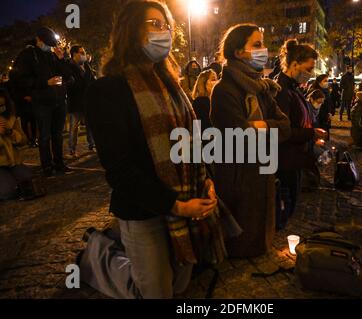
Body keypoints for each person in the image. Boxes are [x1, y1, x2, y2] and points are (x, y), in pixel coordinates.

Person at [82, 0, 226, 299]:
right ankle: (97, 257)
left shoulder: (173, 87)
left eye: (167, 26)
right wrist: (175, 205)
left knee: (179, 283)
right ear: (130, 31)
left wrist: (207, 179)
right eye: (155, 24)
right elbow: (120, 170)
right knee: (155, 293)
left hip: (186, 195)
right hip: (143, 207)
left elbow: (195, 141)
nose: (165, 33)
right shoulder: (107, 90)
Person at [211, 24, 291, 257]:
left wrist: (262, 125)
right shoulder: (224, 90)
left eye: (263, 44)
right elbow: (240, 136)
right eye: (256, 45)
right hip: (238, 175)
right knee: (241, 239)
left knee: (261, 228)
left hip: (263, 169)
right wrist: (261, 130)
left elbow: (285, 127)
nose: (264, 50)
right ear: (238, 52)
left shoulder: (262, 88)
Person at [274, 39, 325, 227]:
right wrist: (311, 133)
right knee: (285, 205)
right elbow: (283, 131)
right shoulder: (282, 90)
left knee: (291, 202)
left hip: (294, 157)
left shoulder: (293, 88)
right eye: (309, 68)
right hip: (285, 160)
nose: (310, 74)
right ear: (295, 64)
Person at [11, 27, 71, 177]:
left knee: (57, 134)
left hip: (59, 100)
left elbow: (68, 76)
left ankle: (59, 163)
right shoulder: (28, 55)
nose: (49, 46)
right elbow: (21, 79)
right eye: (47, 43)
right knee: (44, 136)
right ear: (38, 40)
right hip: (42, 102)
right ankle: (47, 166)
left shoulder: (52, 54)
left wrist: (61, 59)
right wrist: (45, 83)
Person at [0, 88, 33, 201]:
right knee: (8, 193)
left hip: (13, 162)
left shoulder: (11, 117)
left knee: (29, 181)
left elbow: (23, 141)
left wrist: (10, 132)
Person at [66, 45, 96, 157]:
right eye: (81, 52)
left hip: (87, 101)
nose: (84, 54)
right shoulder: (69, 67)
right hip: (76, 101)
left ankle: (91, 144)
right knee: (74, 127)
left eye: (84, 52)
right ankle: (72, 149)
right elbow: (70, 84)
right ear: (74, 54)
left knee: (90, 125)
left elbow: (92, 80)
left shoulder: (87, 66)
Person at [307, 74, 333, 140]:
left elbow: (329, 103)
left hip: (325, 117)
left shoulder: (326, 91)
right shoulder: (314, 91)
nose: (327, 82)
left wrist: (330, 112)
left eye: (327, 80)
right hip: (318, 117)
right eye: (325, 81)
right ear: (319, 82)